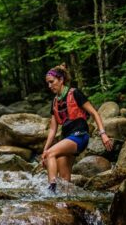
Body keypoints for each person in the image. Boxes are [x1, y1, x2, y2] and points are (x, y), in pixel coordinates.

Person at [42, 63, 113, 193]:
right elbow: (52, 129)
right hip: (67, 138)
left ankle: (50, 190)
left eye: (52, 82)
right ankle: (66, 204)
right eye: (48, 83)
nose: (49, 86)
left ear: (61, 80)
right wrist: (44, 150)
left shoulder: (75, 93)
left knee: (51, 154)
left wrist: (103, 134)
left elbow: (94, 113)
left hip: (79, 136)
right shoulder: (54, 102)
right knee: (64, 179)